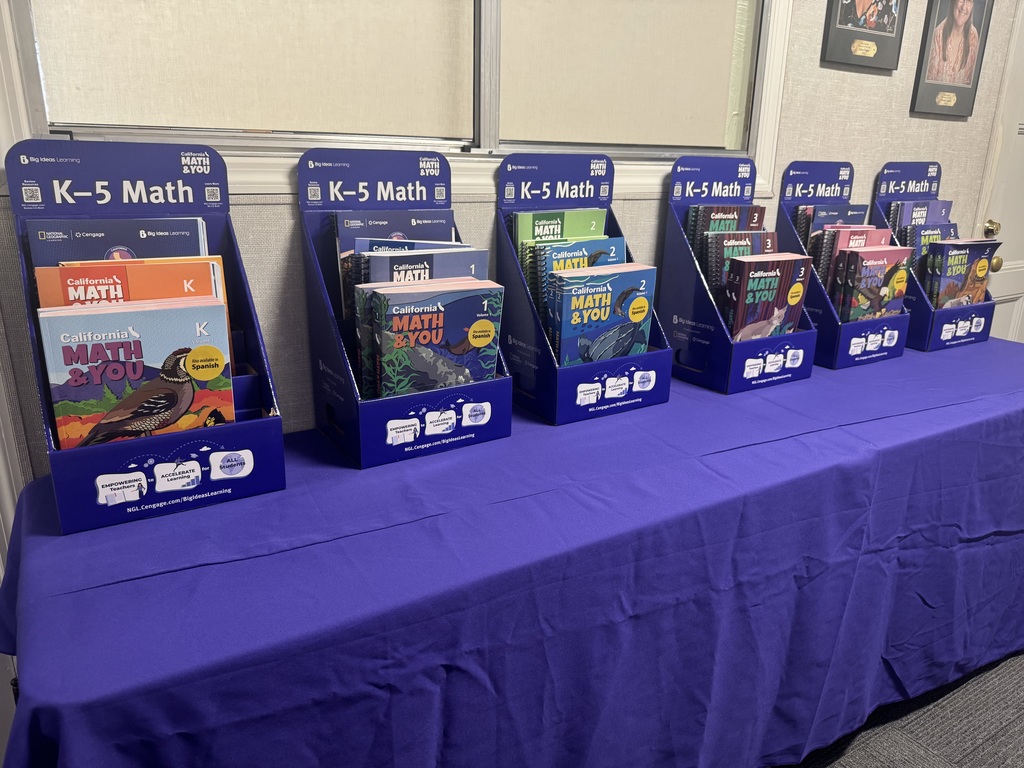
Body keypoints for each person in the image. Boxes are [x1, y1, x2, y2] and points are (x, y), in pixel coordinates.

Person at [926, 0, 979, 86]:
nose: (964, 7)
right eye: (961, 0)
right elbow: (929, 85)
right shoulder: (938, 34)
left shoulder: (973, 36)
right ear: (953, 2)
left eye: (969, 1)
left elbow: (970, 85)